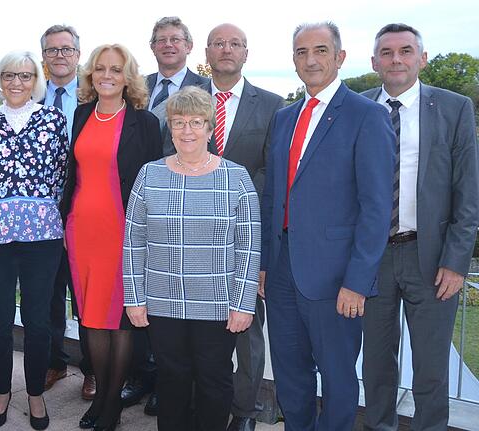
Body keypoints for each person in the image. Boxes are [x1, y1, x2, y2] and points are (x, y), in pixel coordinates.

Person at [260, 22, 395, 431]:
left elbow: (376, 208)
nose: (311, 59)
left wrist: (357, 280)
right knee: (290, 372)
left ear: (339, 57)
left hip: (336, 277)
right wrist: (265, 264)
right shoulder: (284, 118)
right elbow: (273, 197)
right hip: (282, 271)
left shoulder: (367, 115)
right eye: (301, 52)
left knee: (337, 377)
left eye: (320, 50)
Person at [361, 23, 479, 431]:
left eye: (406, 51)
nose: (397, 59)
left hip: (430, 258)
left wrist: (457, 261)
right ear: (374, 61)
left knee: (430, 367)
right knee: (376, 363)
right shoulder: (356, 108)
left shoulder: (453, 107)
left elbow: (468, 193)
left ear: (422, 58)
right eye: (387, 52)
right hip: (370, 258)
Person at [124, 85, 260, 431]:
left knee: (215, 382)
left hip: (218, 304)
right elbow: (133, 242)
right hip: (163, 301)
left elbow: (248, 246)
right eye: (179, 122)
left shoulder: (236, 177)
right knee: (172, 380)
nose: (187, 130)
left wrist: (244, 304)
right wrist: (134, 299)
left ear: (209, 126)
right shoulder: (149, 175)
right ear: (169, 126)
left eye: (196, 122)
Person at [59, 43, 162, 430]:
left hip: (123, 234)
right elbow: (74, 173)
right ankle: (103, 395)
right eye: (100, 68)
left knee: (119, 320)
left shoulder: (145, 122)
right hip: (81, 230)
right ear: (91, 74)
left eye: (116, 70)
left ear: (127, 76)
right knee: (90, 319)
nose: (107, 75)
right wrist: (64, 218)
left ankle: (111, 404)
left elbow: (151, 184)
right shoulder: (82, 114)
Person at [0, 50, 68, 430]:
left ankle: (35, 394)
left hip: (41, 236)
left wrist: (30, 208)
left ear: (36, 81)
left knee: (38, 320)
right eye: (9, 75)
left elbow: (60, 174)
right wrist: (2, 207)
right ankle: (3, 390)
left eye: (25, 76)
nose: (16, 83)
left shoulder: (53, 119)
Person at [202, 23, 284, 431]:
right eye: (219, 43)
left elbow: (274, 169)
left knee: (248, 330)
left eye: (235, 43)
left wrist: (237, 199)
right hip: (196, 234)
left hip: (249, 232)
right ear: (207, 52)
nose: (227, 49)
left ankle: (246, 412)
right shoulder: (188, 100)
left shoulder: (271, 105)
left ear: (246, 53)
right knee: (202, 326)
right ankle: (209, 402)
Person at [39, 23, 96, 400]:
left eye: (66, 49)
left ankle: (93, 369)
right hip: (41, 215)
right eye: (52, 50)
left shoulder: (96, 97)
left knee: (86, 295)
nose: (59, 56)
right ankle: (54, 362)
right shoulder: (27, 96)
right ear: (43, 56)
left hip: (84, 211)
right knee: (46, 293)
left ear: (78, 54)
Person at [146, 17, 209, 157]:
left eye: (175, 39)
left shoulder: (206, 89)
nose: (168, 44)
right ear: (153, 48)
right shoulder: (136, 87)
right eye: (161, 40)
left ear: (189, 46)